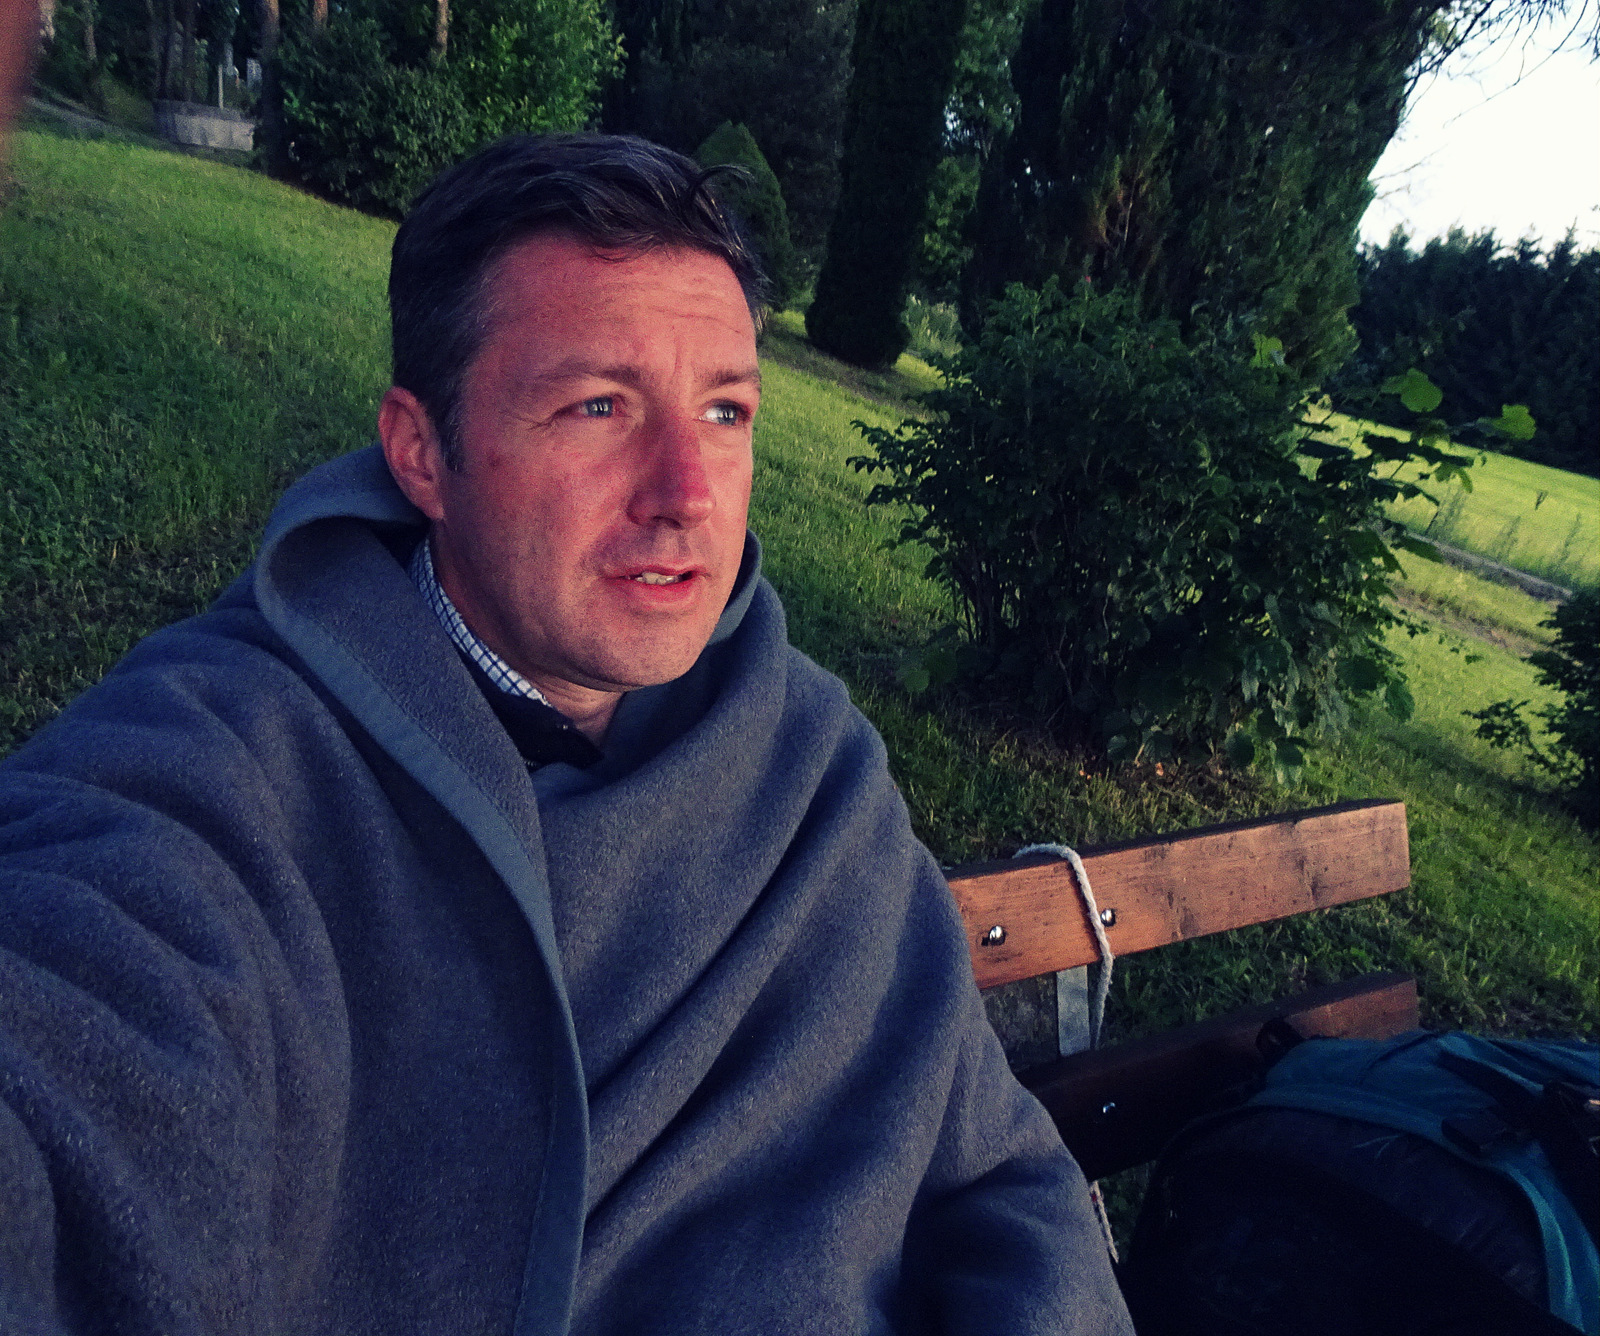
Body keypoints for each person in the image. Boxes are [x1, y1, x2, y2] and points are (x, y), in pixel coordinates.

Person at [0, 134, 1133, 1335]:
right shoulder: (223, 769)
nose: (688, 493)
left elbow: (997, 1176)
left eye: (725, 410)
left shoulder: (814, 766)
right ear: (421, 453)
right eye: (599, 406)